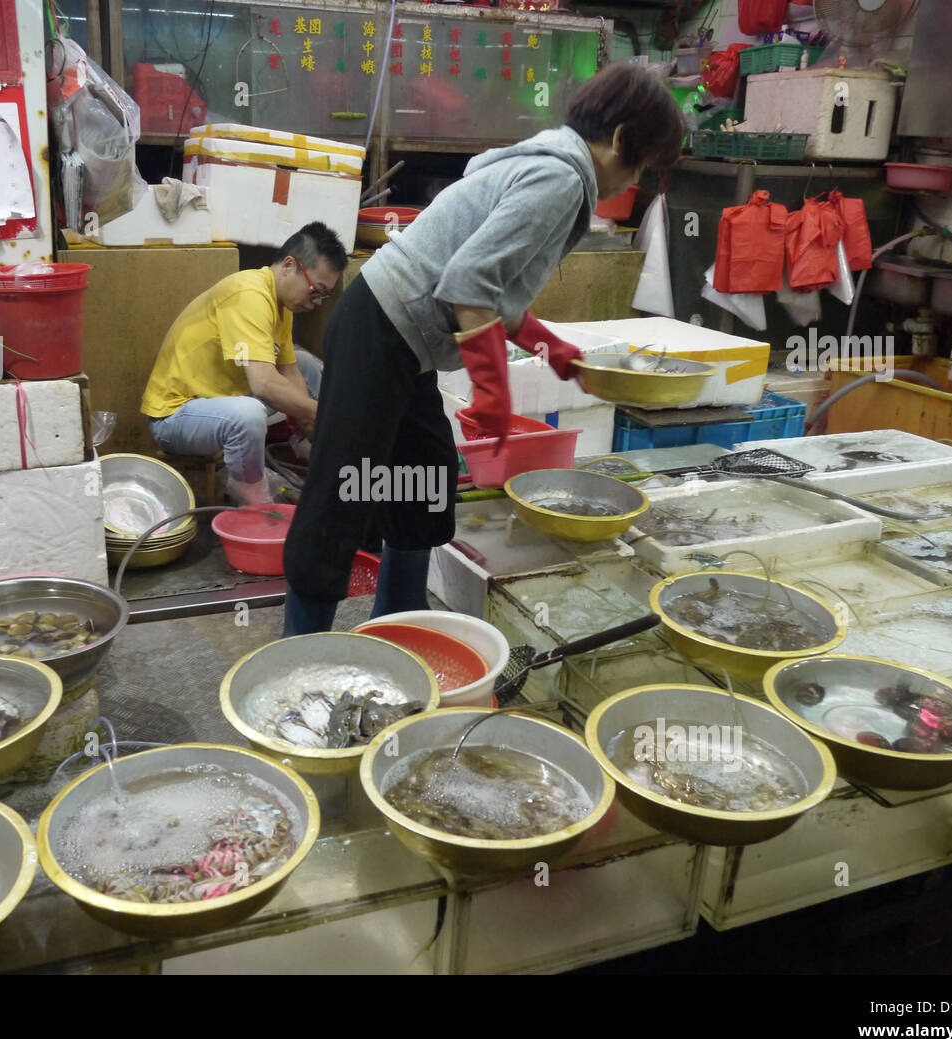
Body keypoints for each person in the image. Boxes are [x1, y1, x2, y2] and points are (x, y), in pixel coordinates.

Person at [281, 62, 685, 635]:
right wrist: (492, 392)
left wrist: (556, 350)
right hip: (380, 329)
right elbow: (467, 285)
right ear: (621, 140)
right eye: (642, 164)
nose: (633, 181)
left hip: (407, 344)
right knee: (344, 494)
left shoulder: (548, 163)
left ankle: (398, 628)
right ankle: (301, 652)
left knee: (425, 481)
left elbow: (492, 290)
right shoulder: (563, 178)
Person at [140, 221, 348, 505]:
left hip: (221, 399)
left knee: (307, 366)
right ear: (289, 265)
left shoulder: (281, 304)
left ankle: (319, 458)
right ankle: (251, 498)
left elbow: (291, 373)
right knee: (248, 414)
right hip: (177, 415)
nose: (318, 302)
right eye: (316, 290)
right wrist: (324, 414)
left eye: (325, 295)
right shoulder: (249, 294)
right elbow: (262, 384)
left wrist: (313, 422)